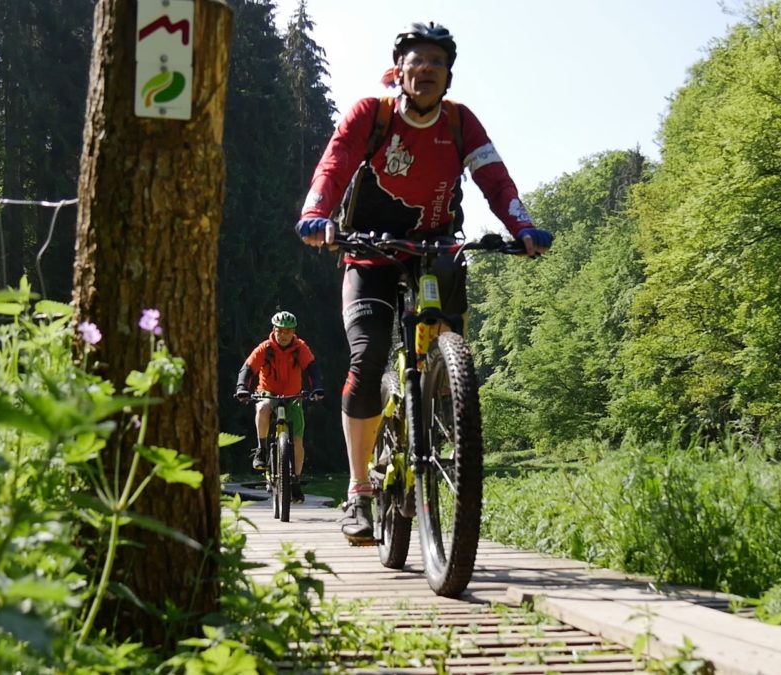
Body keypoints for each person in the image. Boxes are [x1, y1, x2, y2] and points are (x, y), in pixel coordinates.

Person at [294, 22, 553, 543]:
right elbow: (336, 162)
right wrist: (318, 214)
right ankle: (359, 490)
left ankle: (442, 422)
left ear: (449, 76)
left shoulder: (460, 123)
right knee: (367, 359)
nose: (428, 69)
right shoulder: (373, 115)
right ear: (400, 70)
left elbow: (494, 179)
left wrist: (521, 226)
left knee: (450, 350)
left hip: (435, 249)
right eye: (419, 60)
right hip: (368, 252)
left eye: (438, 61)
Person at [235, 311, 324, 503]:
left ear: (293, 332)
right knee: (262, 409)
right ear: (274, 330)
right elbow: (247, 369)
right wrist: (242, 388)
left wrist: (317, 387)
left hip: (293, 396)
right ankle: (261, 449)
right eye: (280, 330)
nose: (283, 335)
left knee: (298, 441)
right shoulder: (265, 348)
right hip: (268, 393)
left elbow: (312, 369)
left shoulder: (300, 348)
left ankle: (296, 483)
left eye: (288, 331)